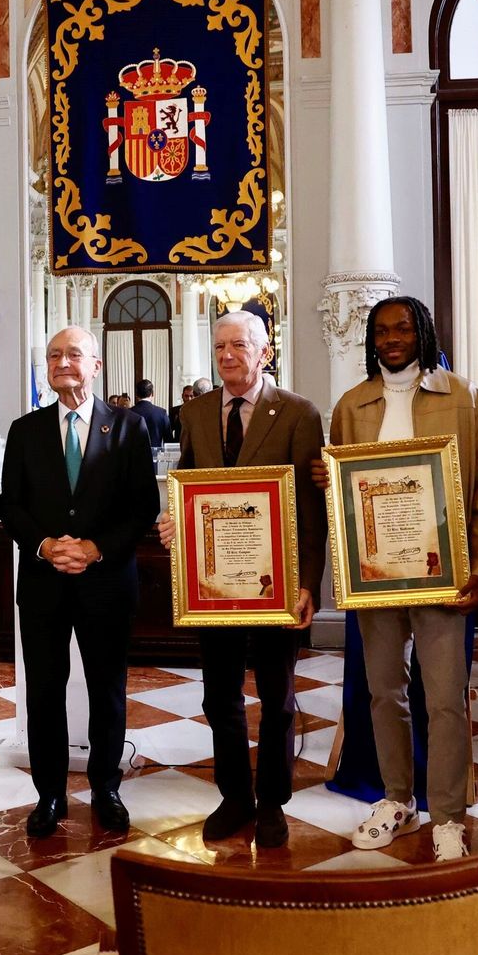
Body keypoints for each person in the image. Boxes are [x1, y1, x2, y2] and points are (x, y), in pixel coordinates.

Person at [326, 296, 478, 861]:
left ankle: (448, 815)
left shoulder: (464, 397)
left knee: (445, 697)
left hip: (444, 576)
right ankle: (397, 799)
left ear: (422, 331)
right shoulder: (352, 405)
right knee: (384, 693)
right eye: (381, 331)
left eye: (403, 327)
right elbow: (342, 492)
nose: (391, 338)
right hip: (377, 576)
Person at [158, 311, 327, 849]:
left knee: (277, 698)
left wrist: (307, 583)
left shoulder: (299, 413)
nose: (228, 355)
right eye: (220, 346)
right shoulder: (197, 411)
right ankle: (234, 796)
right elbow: (188, 484)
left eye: (239, 345)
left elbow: (310, 508)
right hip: (214, 584)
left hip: (276, 583)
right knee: (218, 696)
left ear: (265, 351)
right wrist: (173, 521)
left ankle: (273, 800)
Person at [1, 326, 158, 837]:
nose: (62, 362)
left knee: (106, 690)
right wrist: (46, 546)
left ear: (96, 365)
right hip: (44, 581)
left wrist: (94, 549)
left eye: (73, 354)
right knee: (44, 692)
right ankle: (48, 795)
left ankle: (105, 788)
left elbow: (143, 507)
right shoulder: (26, 431)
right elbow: (11, 507)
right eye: (53, 356)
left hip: (107, 581)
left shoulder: (129, 426)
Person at [130, 379, 169, 448]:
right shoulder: (161, 413)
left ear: (136, 394)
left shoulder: (128, 413)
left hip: (134, 457)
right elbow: (168, 440)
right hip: (155, 456)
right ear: (152, 393)